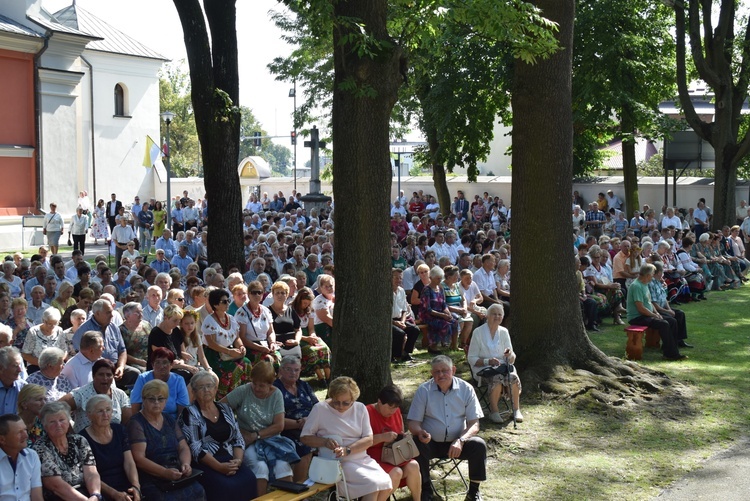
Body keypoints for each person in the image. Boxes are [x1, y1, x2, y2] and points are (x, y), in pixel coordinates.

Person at [408, 355, 486, 501]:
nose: (441, 375)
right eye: (436, 372)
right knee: (416, 443)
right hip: (430, 443)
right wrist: (419, 432)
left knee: (479, 445)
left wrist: (461, 440)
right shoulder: (424, 390)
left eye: (445, 370)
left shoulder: (466, 389)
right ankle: (426, 490)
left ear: (453, 370)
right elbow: (413, 422)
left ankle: (473, 492)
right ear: (432, 374)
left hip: (457, 444)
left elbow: (474, 424)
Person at [301, 376, 392, 501]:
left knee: (386, 483)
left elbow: (369, 439)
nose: (340, 406)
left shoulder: (360, 408)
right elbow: (305, 437)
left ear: (353, 399)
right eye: (336, 401)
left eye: (346, 403)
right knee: (373, 484)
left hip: (361, 458)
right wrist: (325, 442)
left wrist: (348, 449)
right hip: (337, 462)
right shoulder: (320, 409)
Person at [178, 371, 257, 501]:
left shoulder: (225, 408)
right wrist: (220, 467)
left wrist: (237, 461)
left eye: (209, 386)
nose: (206, 390)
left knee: (249, 479)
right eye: (201, 387)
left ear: (215, 389)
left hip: (230, 459)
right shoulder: (189, 413)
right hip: (206, 463)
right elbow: (195, 448)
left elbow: (237, 438)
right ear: (194, 391)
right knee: (225, 486)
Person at [222, 361, 297, 496]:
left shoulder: (276, 395)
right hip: (246, 441)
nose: (256, 388)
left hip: (270, 440)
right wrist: (235, 429)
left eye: (261, 385)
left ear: (270, 384)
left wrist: (256, 435)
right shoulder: (244, 390)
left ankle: (289, 498)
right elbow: (219, 409)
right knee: (260, 467)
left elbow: (279, 425)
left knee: (282, 466)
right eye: (254, 383)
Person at [127, 379, 206, 501]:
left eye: (161, 399)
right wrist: (164, 472)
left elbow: (183, 447)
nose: (156, 403)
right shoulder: (136, 423)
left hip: (175, 472)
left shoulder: (169, 419)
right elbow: (139, 459)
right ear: (143, 399)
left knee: (198, 490)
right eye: (151, 399)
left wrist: (185, 464)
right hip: (151, 476)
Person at [33, 401, 103, 500]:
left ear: (68, 421)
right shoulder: (41, 447)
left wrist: (95, 495)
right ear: (45, 425)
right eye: (52, 421)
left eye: (62, 420)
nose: (58, 425)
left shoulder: (79, 440)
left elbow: (91, 473)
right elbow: (56, 486)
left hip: (88, 493)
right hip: (61, 497)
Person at [79, 395, 142, 501]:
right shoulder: (82, 438)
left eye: (108, 410)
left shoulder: (119, 430)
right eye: (100, 411)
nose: (105, 415)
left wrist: (136, 487)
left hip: (126, 486)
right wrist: (114, 494)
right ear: (89, 415)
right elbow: (89, 475)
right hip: (100, 490)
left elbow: (129, 463)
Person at [467, 304, 523, 423]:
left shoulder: (504, 332)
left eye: (500, 314)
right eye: (494, 314)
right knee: (496, 379)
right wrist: (488, 361)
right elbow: (471, 358)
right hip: (484, 368)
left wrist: (509, 354)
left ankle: (516, 409)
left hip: (503, 367)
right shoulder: (478, 332)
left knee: (512, 377)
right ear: (487, 315)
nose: (497, 316)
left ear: (502, 317)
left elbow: (512, 356)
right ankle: (494, 411)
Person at [366, 385, 422, 500]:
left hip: (395, 455)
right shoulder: (367, 412)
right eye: (390, 407)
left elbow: (400, 430)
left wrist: (403, 436)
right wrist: (382, 437)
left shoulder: (396, 412)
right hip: (374, 457)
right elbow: (360, 441)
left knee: (413, 465)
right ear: (379, 402)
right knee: (396, 472)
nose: (393, 411)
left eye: (396, 407)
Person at [74, 299, 139, 389]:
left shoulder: (114, 327)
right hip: (95, 370)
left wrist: (120, 367)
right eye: (108, 313)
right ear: (97, 314)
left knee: (135, 374)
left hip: (115, 367)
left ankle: (130, 400)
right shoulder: (84, 330)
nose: (112, 315)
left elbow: (122, 350)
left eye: (111, 312)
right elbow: (81, 356)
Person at [626, 263, 686, 361]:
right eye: (653, 274)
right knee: (664, 324)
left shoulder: (644, 284)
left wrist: (656, 313)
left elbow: (649, 302)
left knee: (672, 321)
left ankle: (671, 349)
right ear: (648, 275)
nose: (653, 276)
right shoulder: (636, 286)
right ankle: (671, 354)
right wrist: (654, 315)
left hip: (646, 314)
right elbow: (640, 308)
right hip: (637, 317)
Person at [273, 356, 318, 482]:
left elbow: (318, 407)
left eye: (296, 370)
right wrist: (300, 424)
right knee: (305, 446)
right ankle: (299, 486)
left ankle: (330, 481)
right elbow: (273, 419)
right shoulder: (274, 389)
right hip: (287, 430)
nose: (293, 373)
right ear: (280, 370)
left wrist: (309, 421)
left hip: (311, 426)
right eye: (289, 369)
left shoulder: (304, 385)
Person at [201, 289, 252, 398]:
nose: (228, 303)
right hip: (214, 354)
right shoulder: (209, 321)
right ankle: (226, 398)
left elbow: (236, 338)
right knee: (232, 369)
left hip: (229, 352)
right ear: (215, 304)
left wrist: (241, 346)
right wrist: (229, 351)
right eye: (224, 302)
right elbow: (211, 344)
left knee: (246, 363)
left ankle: (242, 396)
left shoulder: (231, 319)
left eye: (228, 300)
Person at [61, 358, 133, 433]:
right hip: (86, 441)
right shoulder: (81, 393)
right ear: (93, 375)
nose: (105, 378)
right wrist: (70, 433)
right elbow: (55, 408)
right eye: (101, 375)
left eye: (109, 375)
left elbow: (128, 421)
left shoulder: (120, 394)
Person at [130, 348, 190, 420]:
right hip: (147, 420)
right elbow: (135, 405)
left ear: (171, 365)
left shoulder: (178, 380)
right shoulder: (143, 378)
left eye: (165, 362)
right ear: (152, 364)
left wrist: (176, 427)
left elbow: (182, 410)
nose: (161, 366)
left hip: (172, 422)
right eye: (157, 362)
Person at [234, 281, 281, 366]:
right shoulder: (242, 313)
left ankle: (275, 379)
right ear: (248, 294)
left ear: (263, 294)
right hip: (250, 347)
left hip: (265, 345)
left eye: (259, 292)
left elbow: (271, 331)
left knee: (277, 356)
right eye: (254, 293)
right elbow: (242, 337)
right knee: (268, 359)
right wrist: (259, 348)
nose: (257, 295)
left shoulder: (266, 311)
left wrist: (272, 343)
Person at [649, 261, 693, 349]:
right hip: (656, 310)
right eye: (662, 271)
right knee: (671, 320)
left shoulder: (659, 282)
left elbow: (664, 298)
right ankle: (669, 344)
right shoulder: (651, 283)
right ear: (658, 273)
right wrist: (667, 311)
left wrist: (670, 309)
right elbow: (653, 303)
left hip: (663, 308)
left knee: (680, 313)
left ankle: (679, 340)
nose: (663, 274)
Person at [291, 287, 331, 383]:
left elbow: (311, 328)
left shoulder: (310, 310)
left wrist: (312, 336)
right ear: (299, 300)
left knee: (324, 348)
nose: (306, 306)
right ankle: (321, 378)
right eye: (304, 303)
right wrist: (306, 339)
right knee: (312, 351)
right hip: (297, 336)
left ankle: (328, 376)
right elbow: (292, 330)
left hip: (308, 335)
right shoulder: (291, 310)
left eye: (308, 304)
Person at [0, 414, 43, 501]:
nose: (26, 435)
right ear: (2, 440)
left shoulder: (32, 456)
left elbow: (36, 496)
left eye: (25, 430)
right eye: (19, 432)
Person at [420, 266, 458, 354]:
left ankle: (454, 345)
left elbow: (443, 304)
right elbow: (428, 309)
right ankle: (433, 346)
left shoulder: (440, 289)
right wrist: (443, 315)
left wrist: (448, 314)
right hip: (428, 315)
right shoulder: (426, 290)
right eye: (437, 279)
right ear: (431, 278)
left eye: (441, 279)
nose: (439, 281)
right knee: (444, 324)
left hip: (439, 313)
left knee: (454, 321)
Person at [21, 308, 67, 373]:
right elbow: (25, 355)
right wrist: (45, 365)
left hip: (55, 367)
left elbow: (64, 351)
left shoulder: (59, 330)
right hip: (36, 366)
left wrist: (57, 363)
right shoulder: (33, 331)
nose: (52, 326)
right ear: (43, 320)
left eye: (55, 323)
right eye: (49, 324)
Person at [391, 268, 419, 363]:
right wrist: (395, 322)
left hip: (400, 319)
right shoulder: (385, 292)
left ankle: (405, 353)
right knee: (399, 333)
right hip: (389, 321)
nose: (398, 280)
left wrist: (402, 321)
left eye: (400, 278)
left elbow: (404, 309)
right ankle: (395, 356)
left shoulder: (401, 291)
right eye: (396, 278)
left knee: (414, 330)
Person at [0, 346, 26, 415]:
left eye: (20, 365)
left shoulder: (23, 387)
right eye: (15, 366)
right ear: (1, 368)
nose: (20, 370)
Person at [312, 274, 335, 346]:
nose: (329, 288)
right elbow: (327, 318)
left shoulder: (334, 298)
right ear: (321, 288)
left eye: (330, 286)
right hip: (323, 329)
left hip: (333, 328)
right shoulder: (319, 301)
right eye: (326, 286)